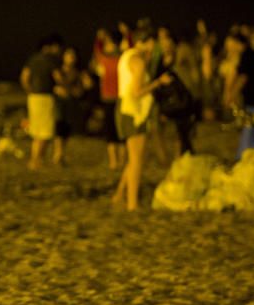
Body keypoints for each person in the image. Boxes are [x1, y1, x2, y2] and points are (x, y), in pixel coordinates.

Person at [112, 30, 171, 211]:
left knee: (134, 157)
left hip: (125, 108)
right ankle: (132, 203)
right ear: (147, 42)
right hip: (133, 111)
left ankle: (120, 195)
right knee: (137, 159)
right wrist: (159, 82)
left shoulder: (126, 56)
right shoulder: (138, 61)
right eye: (154, 43)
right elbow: (137, 92)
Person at [19, 33, 62, 170]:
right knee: (45, 131)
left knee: (36, 130)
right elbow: (58, 77)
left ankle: (34, 159)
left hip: (33, 97)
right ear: (51, 46)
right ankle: (37, 160)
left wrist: (29, 91)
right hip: (45, 96)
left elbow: (24, 77)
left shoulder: (33, 59)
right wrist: (66, 86)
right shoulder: (50, 60)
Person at [52, 46, 93, 166]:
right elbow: (58, 84)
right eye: (68, 55)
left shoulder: (79, 71)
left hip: (72, 102)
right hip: (60, 102)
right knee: (60, 126)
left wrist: (78, 88)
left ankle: (61, 153)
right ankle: (58, 153)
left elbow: (87, 85)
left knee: (67, 129)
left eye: (73, 56)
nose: (71, 58)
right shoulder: (59, 70)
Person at [93, 29, 125, 170]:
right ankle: (113, 161)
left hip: (121, 99)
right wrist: (99, 39)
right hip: (107, 99)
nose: (107, 46)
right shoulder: (103, 60)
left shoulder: (123, 59)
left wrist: (127, 33)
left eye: (110, 43)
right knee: (110, 132)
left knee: (122, 132)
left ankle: (123, 161)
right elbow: (97, 51)